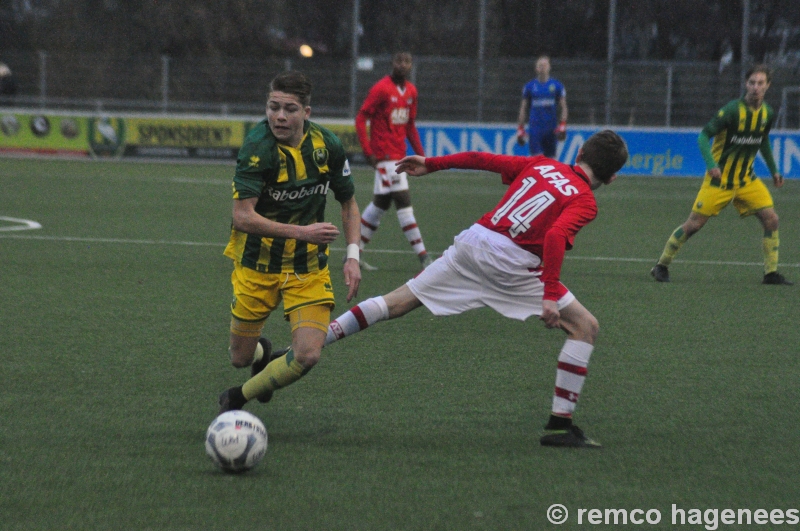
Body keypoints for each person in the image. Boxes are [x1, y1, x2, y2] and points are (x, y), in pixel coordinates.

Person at [325, 130, 629, 448]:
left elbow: (479, 158)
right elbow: (554, 236)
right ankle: (559, 425)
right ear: (611, 178)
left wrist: (431, 163)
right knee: (585, 326)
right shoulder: (584, 200)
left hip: (475, 241)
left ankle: (311, 344)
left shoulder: (542, 164)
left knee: (398, 301)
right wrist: (550, 296)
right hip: (513, 264)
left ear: (579, 153)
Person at [217, 71, 362, 414]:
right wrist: (303, 232)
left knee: (308, 354)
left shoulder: (327, 146)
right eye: (273, 107)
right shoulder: (257, 148)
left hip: (307, 268)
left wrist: (353, 256)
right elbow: (243, 217)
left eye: (290, 109)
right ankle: (262, 356)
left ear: (306, 113)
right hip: (257, 265)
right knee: (240, 357)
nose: (280, 116)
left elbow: (349, 202)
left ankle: (237, 398)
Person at [651, 64, 792, 285]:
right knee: (694, 225)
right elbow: (703, 136)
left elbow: (762, 140)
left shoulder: (767, 113)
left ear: (768, 86)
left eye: (760, 83)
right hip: (720, 180)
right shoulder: (731, 111)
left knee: (771, 219)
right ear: (746, 84)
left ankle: (770, 273)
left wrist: (774, 170)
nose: (756, 87)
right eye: (752, 82)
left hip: (746, 180)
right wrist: (711, 164)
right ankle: (661, 265)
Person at [355, 51, 432, 270]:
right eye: (399, 61)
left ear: (411, 65)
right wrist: (368, 150)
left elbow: (409, 126)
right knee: (403, 202)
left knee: (380, 205)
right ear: (392, 63)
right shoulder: (381, 89)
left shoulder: (411, 92)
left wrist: (422, 156)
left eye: (407, 61)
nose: (403, 65)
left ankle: (353, 255)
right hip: (385, 157)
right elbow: (361, 117)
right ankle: (424, 257)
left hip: (399, 155)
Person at [516, 55, 568, 158]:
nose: (543, 67)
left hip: (551, 129)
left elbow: (564, 107)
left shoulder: (557, 86)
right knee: (536, 160)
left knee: (550, 160)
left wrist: (562, 125)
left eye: (545, 65)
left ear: (549, 67)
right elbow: (523, 108)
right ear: (536, 68)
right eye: (540, 65)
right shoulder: (529, 87)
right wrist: (520, 128)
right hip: (535, 129)